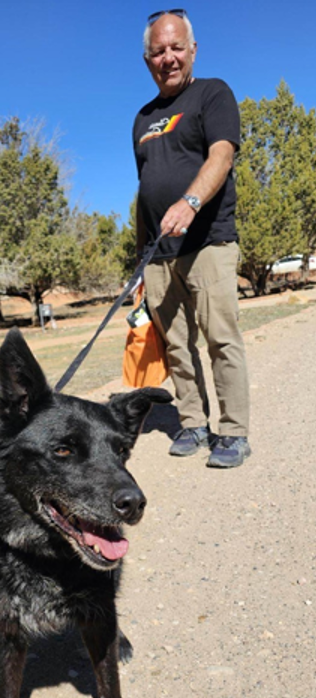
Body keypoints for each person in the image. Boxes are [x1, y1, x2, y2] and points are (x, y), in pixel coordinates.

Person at [133, 9, 251, 469]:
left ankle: (234, 432)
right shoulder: (142, 119)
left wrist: (190, 202)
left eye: (176, 47)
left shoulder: (213, 94)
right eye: (158, 51)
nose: (169, 58)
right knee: (177, 345)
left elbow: (222, 155)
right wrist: (140, 261)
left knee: (222, 338)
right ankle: (193, 423)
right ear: (147, 59)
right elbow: (143, 190)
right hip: (159, 255)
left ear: (193, 49)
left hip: (208, 242)